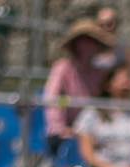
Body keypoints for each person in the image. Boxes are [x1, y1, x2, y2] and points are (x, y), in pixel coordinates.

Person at [42, 19, 114, 151]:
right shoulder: (62, 68)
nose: (88, 45)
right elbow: (52, 99)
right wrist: (60, 128)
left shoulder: (100, 73)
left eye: (92, 41)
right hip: (63, 132)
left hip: (91, 131)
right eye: (84, 40)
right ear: (75, 44)